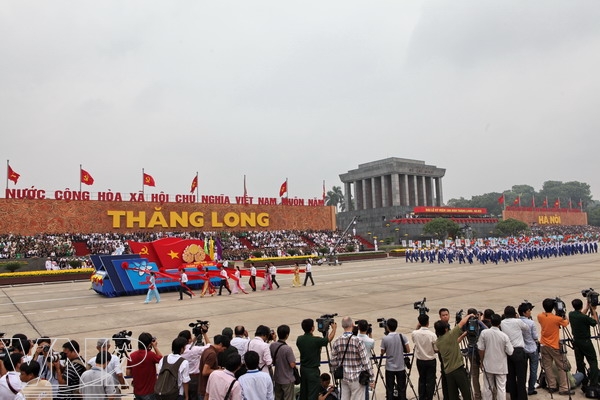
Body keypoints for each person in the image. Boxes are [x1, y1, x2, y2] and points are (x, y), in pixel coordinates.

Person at [330, 316, 373, 399]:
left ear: (342, 326)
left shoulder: (337, 341)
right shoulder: (358, 341)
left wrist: (338, 367)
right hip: (356, 377)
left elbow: (333, 361)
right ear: (352, 325)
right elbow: (365, 361)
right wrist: (371, 377)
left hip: (344, 377)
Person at [434, 313, 474, 400]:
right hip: (458, 369)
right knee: (466, 392)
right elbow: (462, 323)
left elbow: (453, 342)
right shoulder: (450, 335)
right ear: (445, 329)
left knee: (453, 395)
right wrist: (469, 315)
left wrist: (463, 335)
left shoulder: (438, 342)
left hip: (448, 372)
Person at [297, 318, 337, 400]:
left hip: (303, 369)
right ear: (312, 328)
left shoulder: (299, 339)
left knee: (304, 392)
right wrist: (334, 329)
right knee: (313, 393)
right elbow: (328, 339)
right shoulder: (315, 340)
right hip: (312, 371)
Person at [537, 298, 571, 395]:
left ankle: (552, 386)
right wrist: (563, 313)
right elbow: (566, 323)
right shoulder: (557, 319)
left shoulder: (540, 316)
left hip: (544, 344)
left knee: (547, 366)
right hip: (554, 346)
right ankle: (564, 387)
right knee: (562, 366)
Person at [477, 314, 514, 400]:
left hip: (488, 364)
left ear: (490, 321)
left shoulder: (484, 333)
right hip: (501, 366)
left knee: (488, 387)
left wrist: (481, 361)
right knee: (501, 388)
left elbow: (481, 349)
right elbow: (510, 351)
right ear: (499, 323)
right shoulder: (504, 336)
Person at [568, 297, 599, 392]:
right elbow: (595, 322)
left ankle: (583, 380)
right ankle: (594, 382)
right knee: (593, 361)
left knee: (580, 361)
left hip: (576, 342)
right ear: (581, 306)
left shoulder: (571, 314)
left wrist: (586, 307)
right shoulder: (584, 317)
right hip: (585, 342)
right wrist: (593, 310)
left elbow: (581, 315)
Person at [500, 305, 529, 400]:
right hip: (518, 351)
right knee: (521, 377)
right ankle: (522, 397)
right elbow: (526, 328)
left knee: (511, 377)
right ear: (514, 314)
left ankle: (514, 396)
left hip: (508, 351)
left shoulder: (502, 323)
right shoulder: (518, 321)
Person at [126, 332, 163, 400]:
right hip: (150, 392)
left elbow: (128, 373)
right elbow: (162, 360)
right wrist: (155, 347)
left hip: (137, 392)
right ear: (149, 344)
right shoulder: (151, 355)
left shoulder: (132, 356)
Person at [381, 318, 410, 400]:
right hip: (400, 367)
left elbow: (382, 352)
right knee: (402, 389)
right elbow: (408, 350)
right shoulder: (402, 336)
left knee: (390, 389)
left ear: (387, 327)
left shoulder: (385, 338)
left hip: (390, 367)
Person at [179, 329, 210, 399]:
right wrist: (204, 334)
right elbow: (209, 347)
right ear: (189, 340)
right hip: (194, 378)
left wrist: (195, 337)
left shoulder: (179, 349)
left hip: (183, 378)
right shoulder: (194, 350)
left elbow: (188, 346)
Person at [412, 314, 437, 400]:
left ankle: (422, 397)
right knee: (430, 381)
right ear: (428, 323)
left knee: (422, 379)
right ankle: (429, 397)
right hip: (430, 360)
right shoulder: (432, 335)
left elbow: (414, 339)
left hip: (420, 360)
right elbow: (436, 349)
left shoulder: (415, 333)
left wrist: (418, 326)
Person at [270, 325, 297, 400]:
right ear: (287, 335)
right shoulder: (287, 349)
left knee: (278, 397)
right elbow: (292, 364)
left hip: (277, 377)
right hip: (287, 379)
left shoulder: (272, 345)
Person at [518, 302, 540, 396]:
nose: (530, 312)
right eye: (528, 311)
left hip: (522, 348)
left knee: (522, 371)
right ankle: (531, 389)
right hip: (532, 348)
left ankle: (522, 389)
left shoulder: (517, 321)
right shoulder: (531, 323)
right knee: (533, 370)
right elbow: (535, 336)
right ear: (524, 312)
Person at [198, 335, 228, 400]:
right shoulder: (212, 354)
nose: (223, 351)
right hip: (205, 390)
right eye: (224, 349)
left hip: (202, 387)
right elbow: (205, 371)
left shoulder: (207, 350)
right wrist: (220, 371)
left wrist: (216, 368)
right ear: (220, 344)